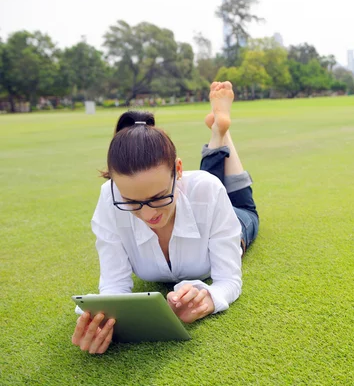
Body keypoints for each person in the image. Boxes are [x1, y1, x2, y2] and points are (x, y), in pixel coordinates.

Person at [72, 81, 258, 354]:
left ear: (178, 169)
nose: (148, 214)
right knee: (204, 187)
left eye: (159, 197)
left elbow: (228, 280)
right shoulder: (108, 198)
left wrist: (209, 298)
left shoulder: (206, 191)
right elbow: (114, 286)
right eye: (132, 201)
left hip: (236, 221)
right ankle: (216, 133)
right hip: (194, 193)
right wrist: (104, 323)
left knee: (237, 201)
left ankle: (221, 133)